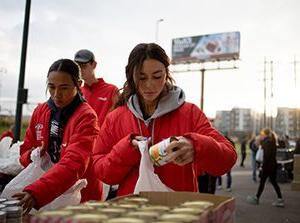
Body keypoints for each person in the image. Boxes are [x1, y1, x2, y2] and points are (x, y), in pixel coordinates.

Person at [93, 43, 237, 197]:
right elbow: (102, 172)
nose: (149, 85)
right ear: (131, 76)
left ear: (166, 73)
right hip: (132, 213)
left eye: (157, 76)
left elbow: (227, 160)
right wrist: (127, 149)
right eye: (141, 77)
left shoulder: (190, 113)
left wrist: (196, 146)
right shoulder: (115, 118)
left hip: (180, 211)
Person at [13, 59, 102, 214]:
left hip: (82, 200)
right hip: (45, 196)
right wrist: (32, 156)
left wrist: (36, 193)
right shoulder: (40, 111)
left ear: (79, 85)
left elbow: (74, 163)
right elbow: (24, 151)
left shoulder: (87, 117)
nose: (56, 94)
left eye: (64, 88)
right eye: (51, 87)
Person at [74, 49, 119, 128]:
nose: (80, 70)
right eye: (78, 67)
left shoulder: (112, 90)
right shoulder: (76, 92)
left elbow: (118, 119)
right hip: (82, 139)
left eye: (84, 66)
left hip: (104, 138)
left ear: (94, 65)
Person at [247, 128, 284, 207]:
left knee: (263, 182)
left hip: (267, 166)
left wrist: (262, 165)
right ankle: (280, 199)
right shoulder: (272, 141)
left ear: (264, 134)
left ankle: (257, 198)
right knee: (273, 182)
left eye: (262, 134)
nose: (261, 136)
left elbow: (266, 156)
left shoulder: (267, 142)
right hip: (272, 165)